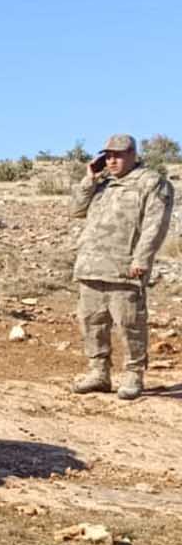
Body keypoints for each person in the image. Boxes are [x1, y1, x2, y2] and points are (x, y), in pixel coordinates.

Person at [70, 133, 172, 400]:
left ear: (133, 154)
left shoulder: (151, 183)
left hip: (125, 267)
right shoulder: (102, 182)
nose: (112, 160)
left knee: (130, 324)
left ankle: (133, 375)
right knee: (92, 322)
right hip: (91, 265)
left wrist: (142, 259)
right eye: (108, 155)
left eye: (119, 154)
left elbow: (155, 225)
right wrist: (89, 179)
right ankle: (98, 372)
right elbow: (76, 210)